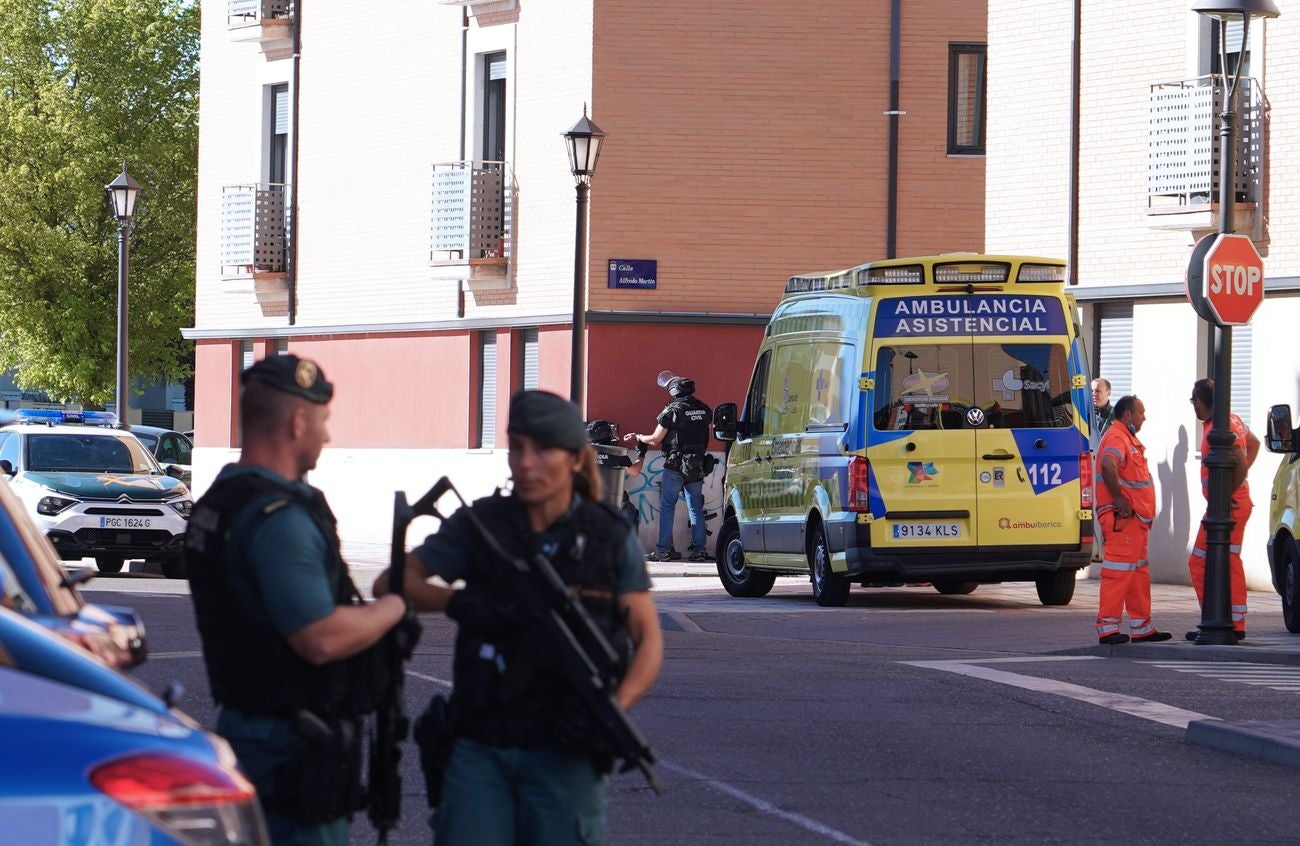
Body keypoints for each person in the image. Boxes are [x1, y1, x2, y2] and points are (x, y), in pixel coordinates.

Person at [375, 389, 663, 846]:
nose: (526, 463)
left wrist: (614, 707)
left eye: (542, 449)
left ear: (573, 459)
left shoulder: (607, 535)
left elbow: (647, 640)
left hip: (566, 749)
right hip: (480, 743)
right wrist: (460, 604)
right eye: (517, 448)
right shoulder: (484, 524)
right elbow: (393, 581)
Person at [186, 355, 412, 846]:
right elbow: (319, 638)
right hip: (293, 746)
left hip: (253, 725)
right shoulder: (280, 519)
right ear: (296, 422)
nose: (327, 438)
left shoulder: (222, 499)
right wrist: (394, 607)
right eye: (323, 423)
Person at [1185, 377, 1260, 642]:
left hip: (1228, 507)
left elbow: (1240, 458)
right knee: (1225, 559)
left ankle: (1218, 619)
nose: (1193, 407)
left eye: (1193, 401)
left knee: (1207, 561)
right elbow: (1253, 444)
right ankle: (1230, 620)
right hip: (1230, 505)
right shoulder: (1232, 419)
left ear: (1200, 402)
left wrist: (1227, 492)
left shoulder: (1218, 426)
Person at [1094, 394, 1172, 644]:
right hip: (1123, 520)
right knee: (1117, 573)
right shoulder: (1118, 437)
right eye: (1141, 413)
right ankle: (1107, 628)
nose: (1144, 418)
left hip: (1134, 521)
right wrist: (1118, 499)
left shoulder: (1127, 439)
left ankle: (1141, 627)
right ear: (1127, 415)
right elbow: (1108, 465)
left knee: (1138, 574)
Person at [623, 373, 713, 562]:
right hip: (696, 464)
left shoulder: (673, 411)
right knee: (695, 508)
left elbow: (655, 439)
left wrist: (639, 437)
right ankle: (700, 551)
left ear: (674, 391)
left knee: (667, 507)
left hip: (675, 464)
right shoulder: (704, 409)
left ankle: (663, 550)